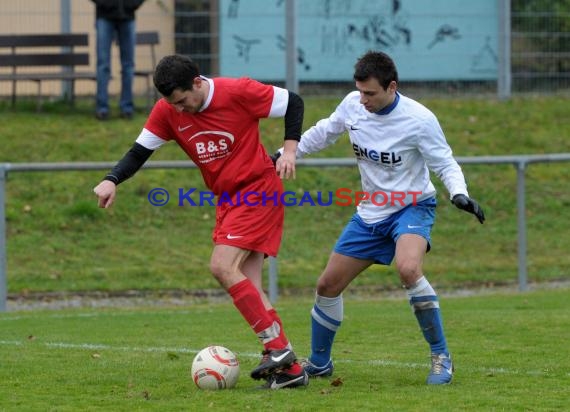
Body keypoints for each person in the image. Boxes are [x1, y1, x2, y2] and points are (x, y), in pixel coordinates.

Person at [93, 54, 308, 389]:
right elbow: (139, 152)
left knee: (222, 266)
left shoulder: (237, 91)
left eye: (182, 101)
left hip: (257, 190)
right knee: (247, 283)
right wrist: (112, 179)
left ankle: (278, 349)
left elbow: (292, 102)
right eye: (171, 103)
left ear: (197, 83)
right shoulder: (167, 110)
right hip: (227, 200)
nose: (179, 110)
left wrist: (290, 150)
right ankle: (289, 371)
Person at [290, 50, 485, 385]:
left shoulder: (419, 119)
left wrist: (458, 192)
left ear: (392, 87)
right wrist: (287, 152)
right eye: (360, 91)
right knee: (327, 285)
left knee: (408, 268)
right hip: (371, 211)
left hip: (412, 207)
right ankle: (320, 363)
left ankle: (441, 357)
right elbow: (324, 132)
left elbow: (444, 161)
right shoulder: (353, 104)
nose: (362, 99)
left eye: (371, 93)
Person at [91, 0, 145, 120]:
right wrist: (105, 4)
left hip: (128, 15)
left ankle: (127, 108)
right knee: (103, 65)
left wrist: (131, 4)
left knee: (128, 66)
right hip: (104, 15)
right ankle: (102, 108)